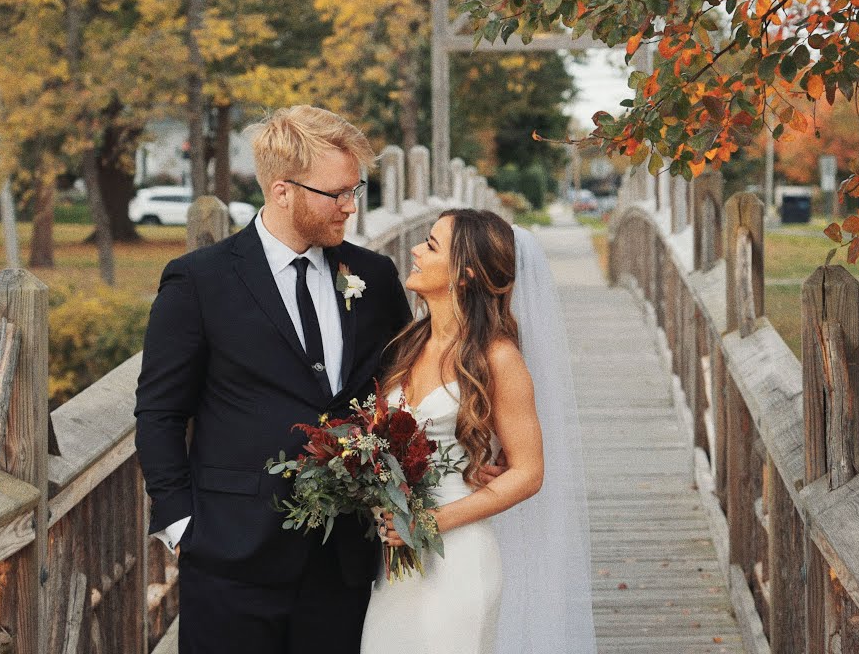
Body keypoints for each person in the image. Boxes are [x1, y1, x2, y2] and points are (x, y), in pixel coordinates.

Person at [134, 105, 412, 654]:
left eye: (355, 190)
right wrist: (181, 525)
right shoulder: (199, 281)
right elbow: (160, 412)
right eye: (337, 193)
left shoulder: (374, 277)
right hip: (230, 554)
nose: (351, 206)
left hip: (344, 560)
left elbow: (405, 387)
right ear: (282, 191)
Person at [362, 209, 595, 653]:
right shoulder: (409, 343)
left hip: (459, 556)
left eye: (431, 245)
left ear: (464, 274)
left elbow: (528, 473)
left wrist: (433, 521)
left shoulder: (498, 357)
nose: (416, 250)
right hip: (395, 562)